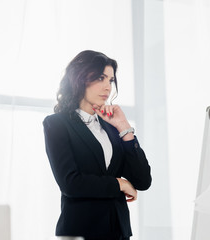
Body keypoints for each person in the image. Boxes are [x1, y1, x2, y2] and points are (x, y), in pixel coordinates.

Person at [43, 50, 152, 240]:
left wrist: (125, 129)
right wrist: (120, 183)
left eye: (110, 80)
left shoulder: (111, 127)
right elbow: (71, 183)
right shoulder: (56, 124)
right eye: (101, 78)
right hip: (80, 232)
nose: (108, 87)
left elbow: (143, 181)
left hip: (118, 231)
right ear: (80, 78)